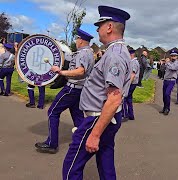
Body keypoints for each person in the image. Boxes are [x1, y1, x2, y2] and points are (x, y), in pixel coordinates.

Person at [62, 6, 131, 179]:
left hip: (97, 118)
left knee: (71, 166)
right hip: (105, 117)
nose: (97, 30)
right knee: (105, 162)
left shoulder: (114, 55)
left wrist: (95, 134)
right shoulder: (118, 52)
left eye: (99, 25)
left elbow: (114, 98)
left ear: (109, 27)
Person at [35, 28, 95, 154]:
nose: (76, 41)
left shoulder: (82, 53)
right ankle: (82, 141)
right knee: (78, 117)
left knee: (53, 112)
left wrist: (61, 72)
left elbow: (80, 71)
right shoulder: (90, 52)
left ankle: (52, 143)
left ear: (81, 40)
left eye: (77, 38)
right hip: (80, 89)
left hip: (72, 89)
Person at [160, 50, 178, 115]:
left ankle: (167, 108)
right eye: (172, 56)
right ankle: (164, 107)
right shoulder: (168, 62)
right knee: (164, 95)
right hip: (166, 80)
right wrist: (162, 64)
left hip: (172, 80)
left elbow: (173, 68)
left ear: (177, 56)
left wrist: (167, 62)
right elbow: (162, 70)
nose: (173, 57)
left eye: (174, 56)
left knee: (167, 94)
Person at [122, 49, 140, 122]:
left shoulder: (134, 62)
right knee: (129, 99)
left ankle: (125, 115)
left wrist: (127, 85)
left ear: (131, 55)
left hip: (131, 83)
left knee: (124, 98)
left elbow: (132, 74)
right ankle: (131, 115)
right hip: (133, 83)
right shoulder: (133, 62)